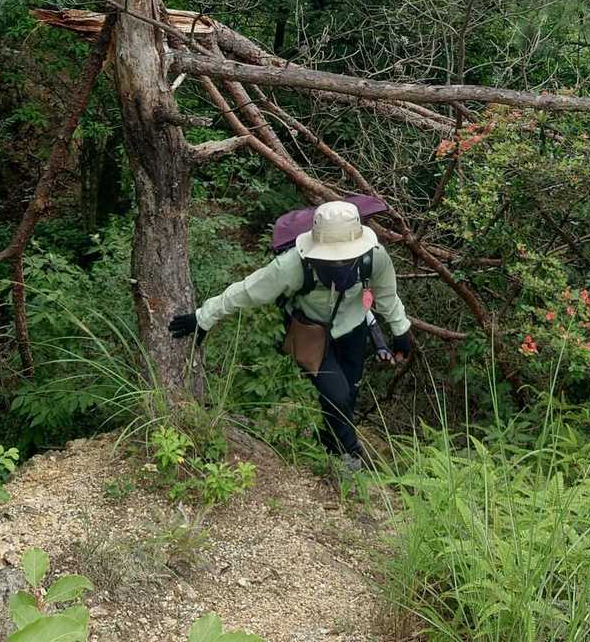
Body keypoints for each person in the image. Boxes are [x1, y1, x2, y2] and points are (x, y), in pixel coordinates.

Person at [168, 200, 413, 470]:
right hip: (309, 333)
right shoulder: (293, 265)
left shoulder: (374, 258)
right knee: (338, 394)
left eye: (346, 257)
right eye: (332, 259)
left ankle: (330, 440)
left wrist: (401, 332)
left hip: (354, 328)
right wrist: (203, 317)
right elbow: (248, 291)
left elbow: (388, 297)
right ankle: (350, 455)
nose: (340, 263)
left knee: (350, 392)